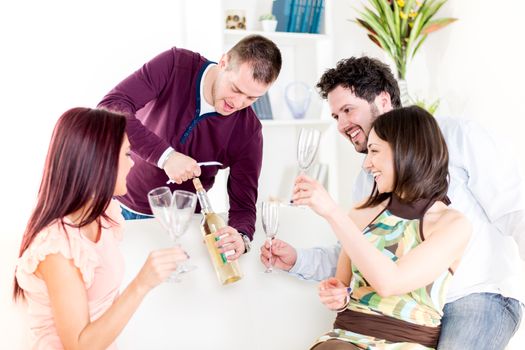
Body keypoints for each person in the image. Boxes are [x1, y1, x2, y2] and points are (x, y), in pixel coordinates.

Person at [260, 57, 525, 349]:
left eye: (348, 110)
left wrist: (332, 212)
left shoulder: (459, 138)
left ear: (383, 101)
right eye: (336, 116)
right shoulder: (368, 180)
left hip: (475, 296)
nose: (341, 125)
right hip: (391, 315)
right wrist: (298, 259)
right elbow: (356, 251)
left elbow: (517, 211)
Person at [293, 106, 471, 349]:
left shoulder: (452, 225)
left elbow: (390, 282)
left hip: (408, 341)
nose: (367, 164)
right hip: (348, 336)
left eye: (374, 151)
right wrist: (338, 295)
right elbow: (344, 287)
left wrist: (333, 213)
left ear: (407, 152)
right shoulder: (361, 212)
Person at [13, 108, 187, 349]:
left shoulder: (104, 216)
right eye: (127, 154)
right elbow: (79, 346)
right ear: (100, 161)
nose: (132, 163)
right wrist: (142, 283)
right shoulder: (56, 248)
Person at [98, 35, 282, 261]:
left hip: (185, 227)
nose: (238, 103)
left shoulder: (249, 131)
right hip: (120, 210)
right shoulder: (175, 65)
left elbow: (243, 205)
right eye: (235, 88)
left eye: (252, 98)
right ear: (223, 62)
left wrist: (241, 236)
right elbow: (111, 107)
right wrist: (165, 156)